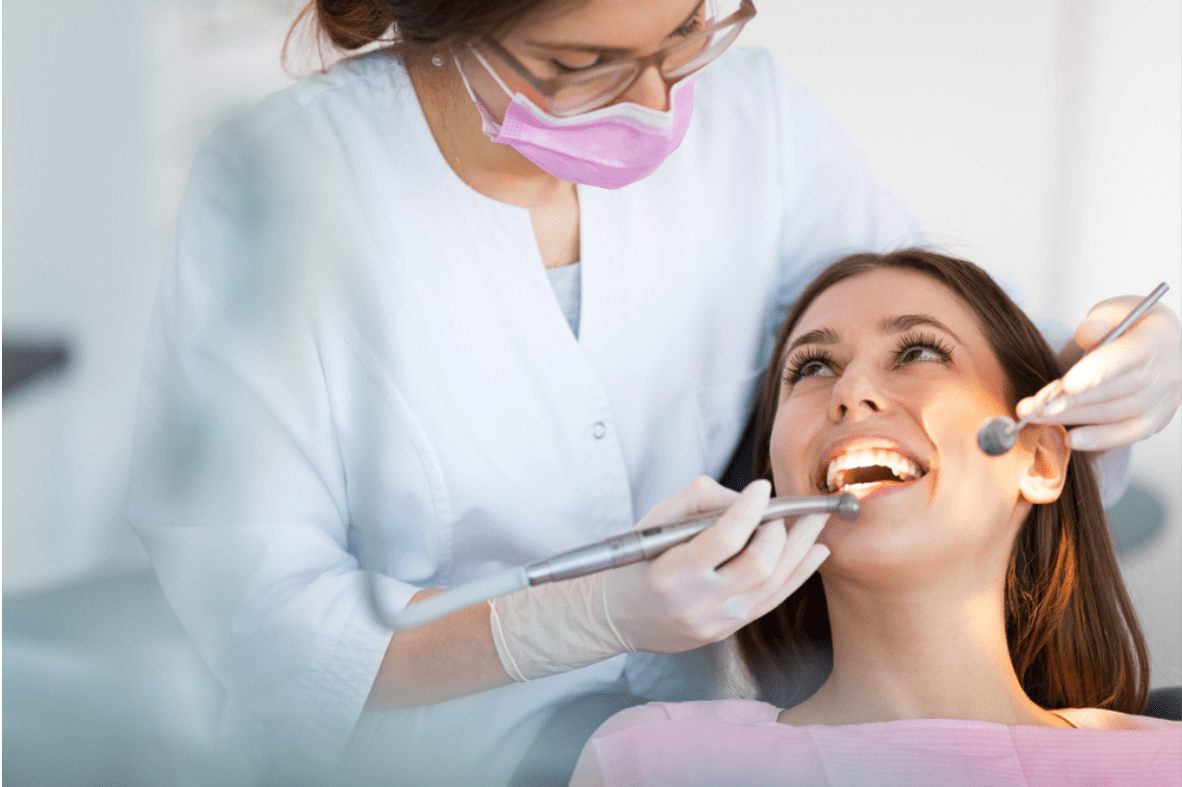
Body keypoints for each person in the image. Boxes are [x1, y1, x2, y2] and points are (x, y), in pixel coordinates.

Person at [126, 0, 1181, 784]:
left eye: (684, 32)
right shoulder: (286, 188)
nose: (658, 100)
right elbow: (269, 627)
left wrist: (1094, 355)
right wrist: (567, 620)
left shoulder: (754, 123)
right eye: (582, 62)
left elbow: (918, 320)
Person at [570, 249, 1182, 787]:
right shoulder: (652, 763)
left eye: (918, 352)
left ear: (1041, 458)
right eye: (811, 368)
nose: (851, 389)